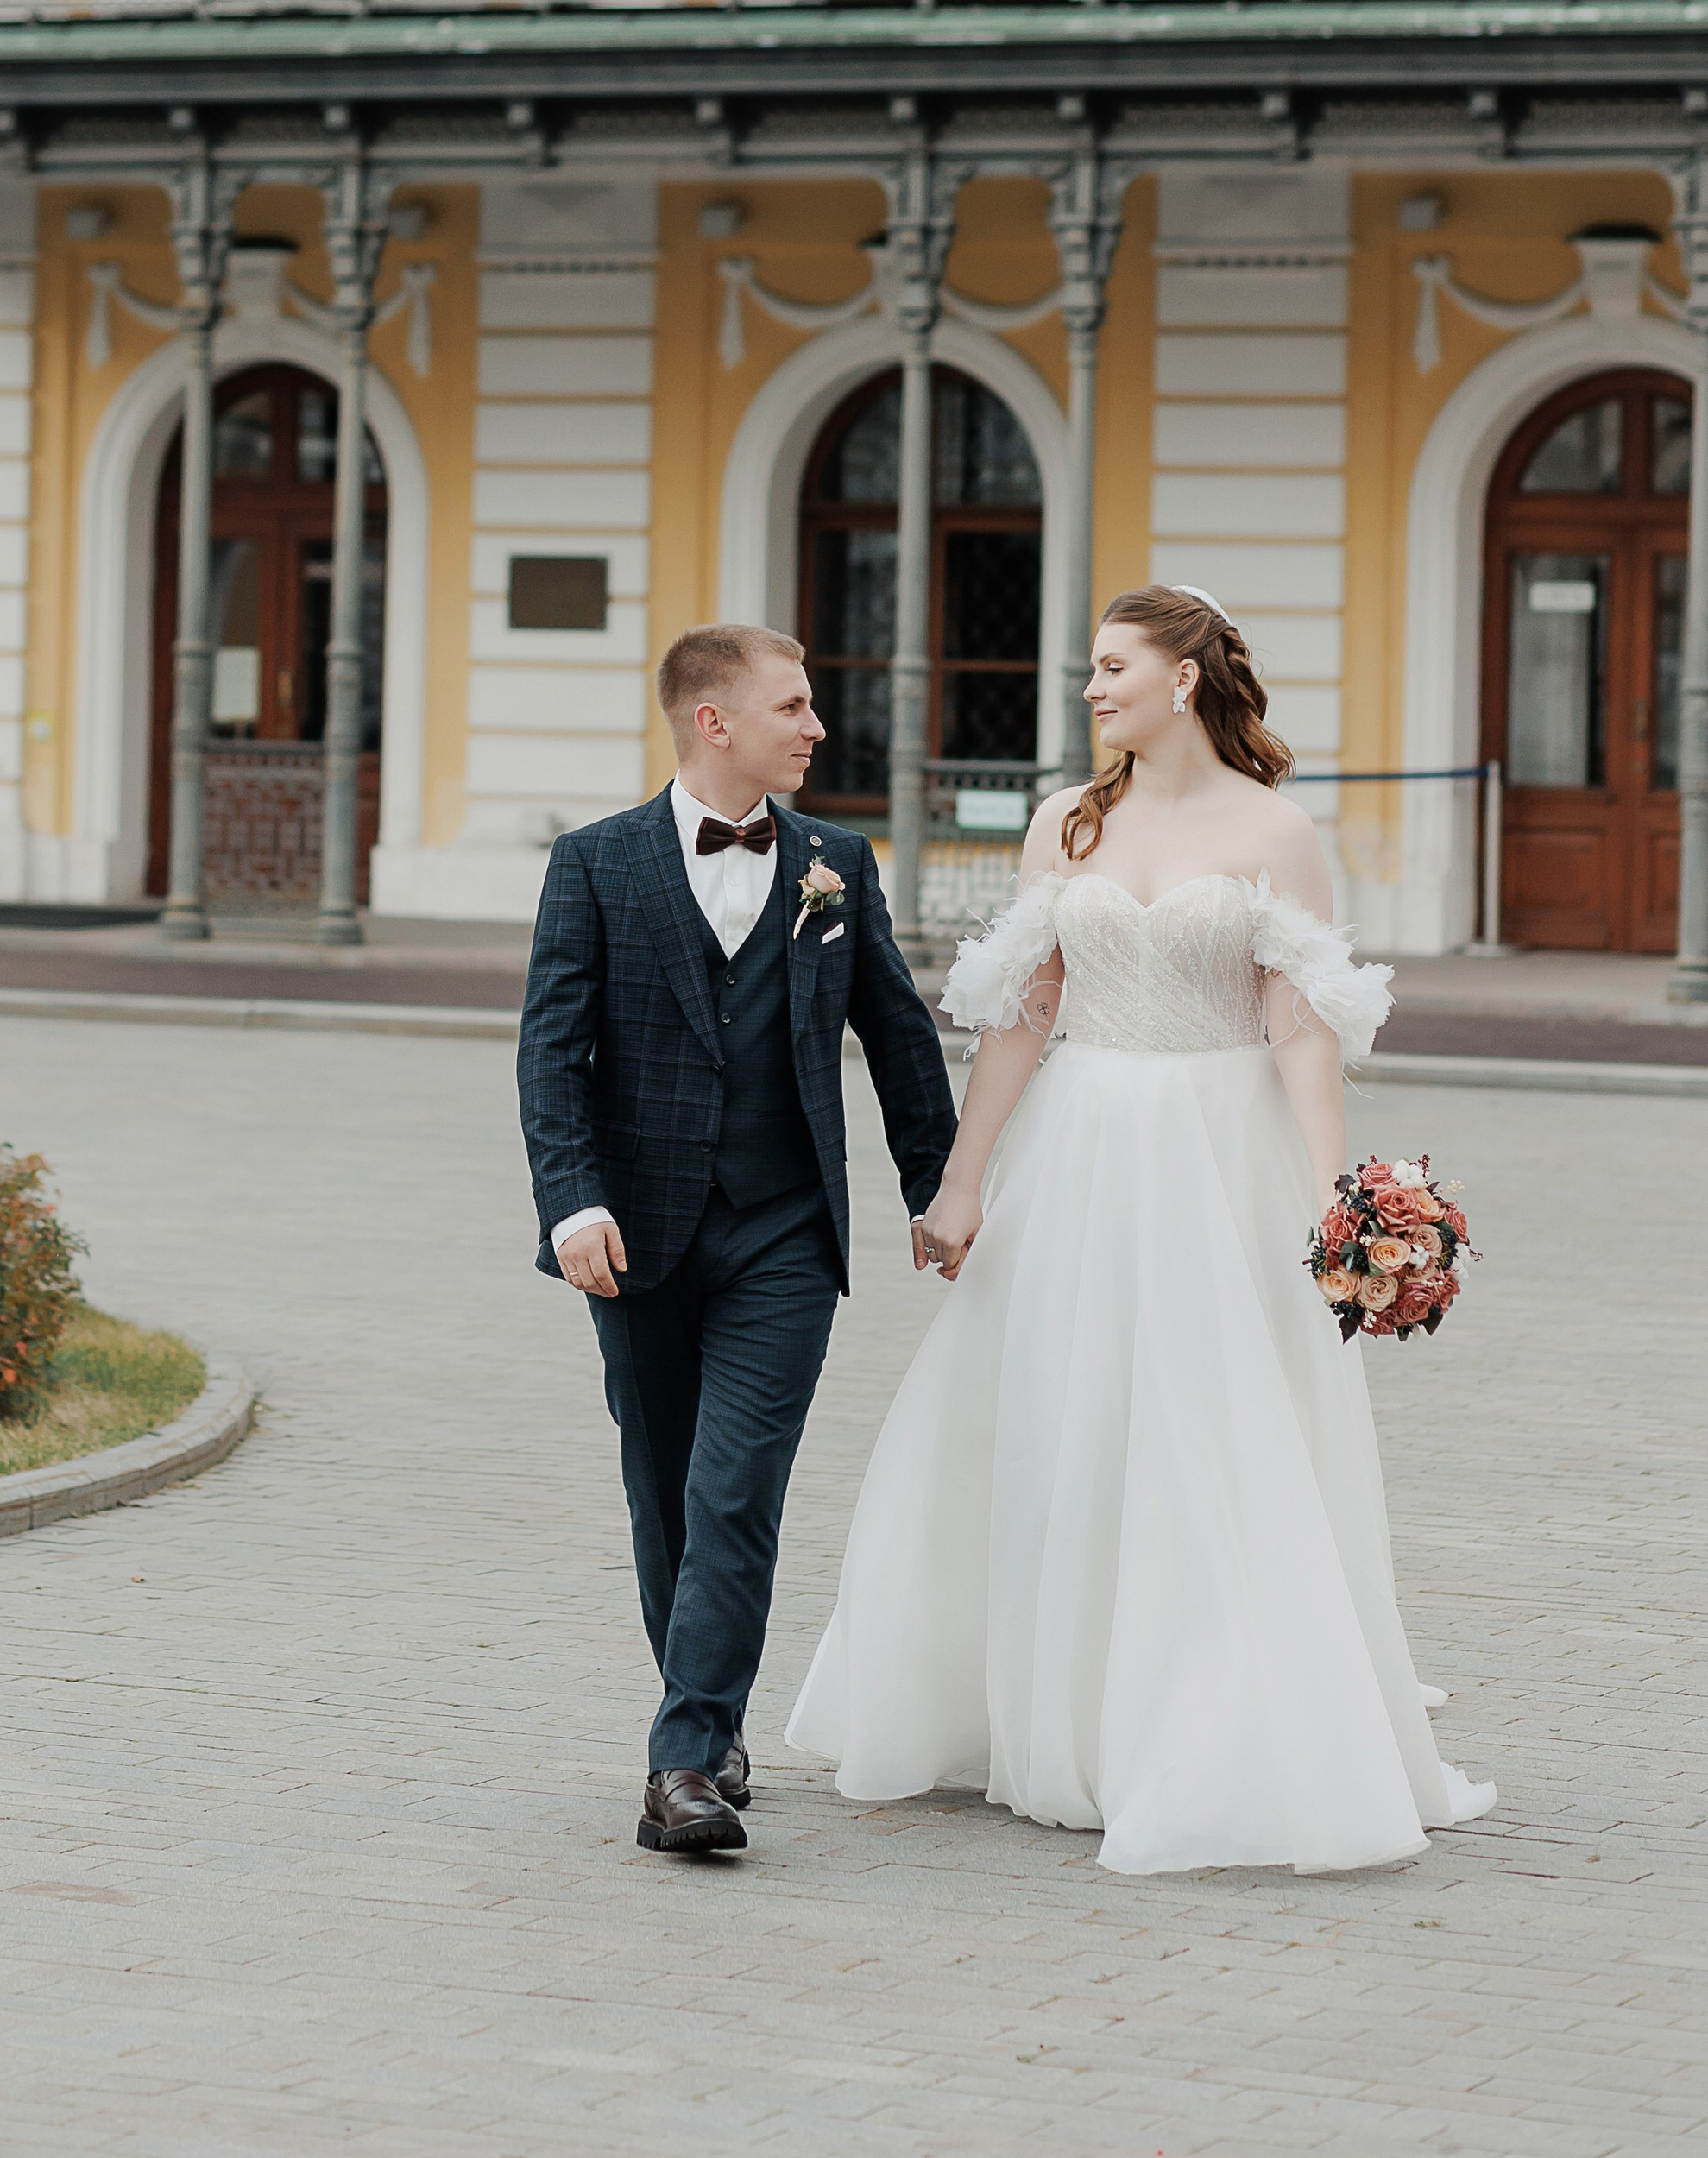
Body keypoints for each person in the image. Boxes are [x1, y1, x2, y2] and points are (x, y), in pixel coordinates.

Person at [787, 582, 1499, 1877]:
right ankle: (1045, 1709)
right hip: (1084, 1143)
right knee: (1058, 1424)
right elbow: (1021, 1014)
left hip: (1223, 1155)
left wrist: (1345, 1198)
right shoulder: (1067, 822)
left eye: (1113, 667)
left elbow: (1299, 1024)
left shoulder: (1277, 830)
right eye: (1089, 672)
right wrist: (961, 1180)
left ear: (1185, 679)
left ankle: (1198, 1727)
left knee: (1209, 1434)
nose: (1092, 688)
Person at [518, 622, 959, 1856]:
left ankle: (680, 1766)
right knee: (661, 1494)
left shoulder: (835, 863)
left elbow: (900, 1037)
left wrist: (942, 1188)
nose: (817, 727)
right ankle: (707, 1723)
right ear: (714, 722)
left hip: (783, 1233)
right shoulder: (594, 865)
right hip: (635, 1237)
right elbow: (552, 1052)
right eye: (795, 707)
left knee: (733, 1493)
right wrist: (573, 1201)